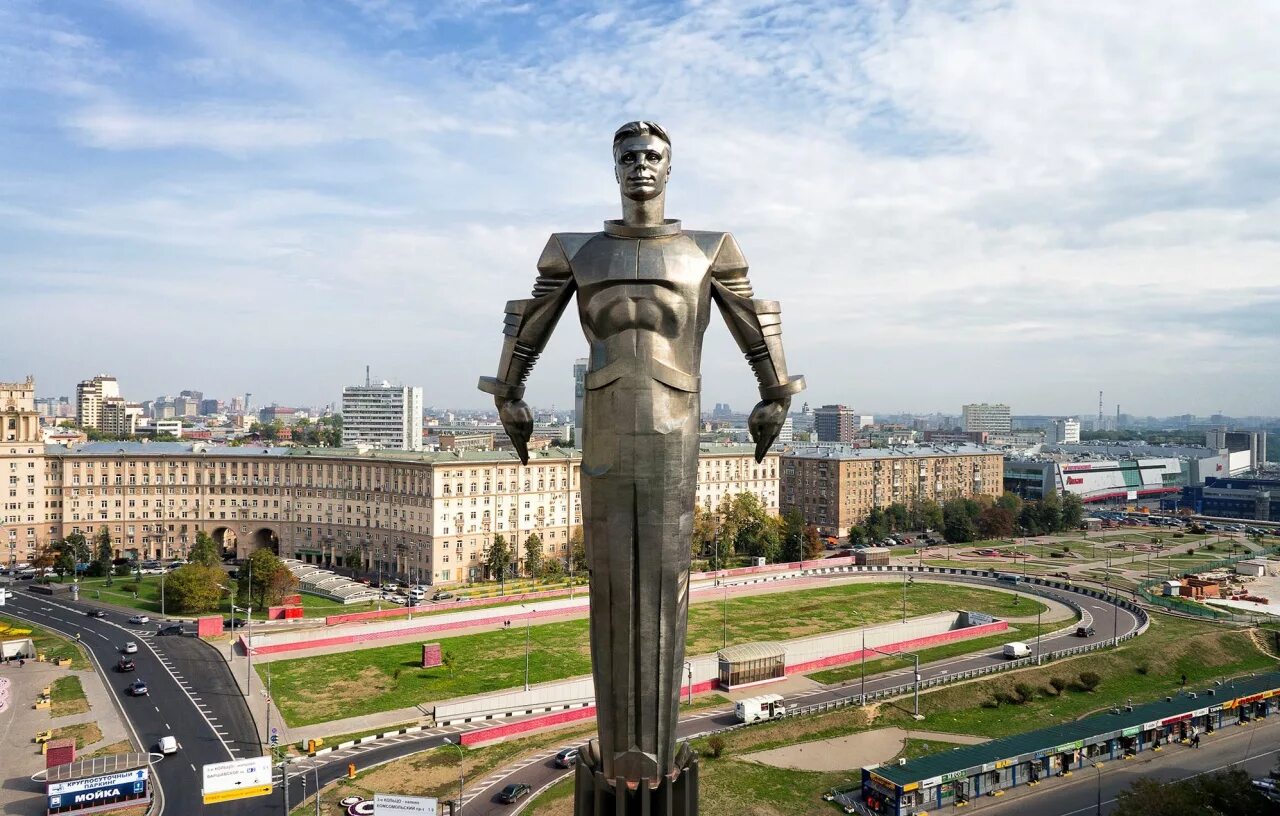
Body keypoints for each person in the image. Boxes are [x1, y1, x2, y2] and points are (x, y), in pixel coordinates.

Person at [479, 121, 803, 788]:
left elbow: (754, 323)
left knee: (663, 579)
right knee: (608, 582)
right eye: (628, 156)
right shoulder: (577, 252)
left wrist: (776, 393)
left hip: (674, 430)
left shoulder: (708, 251)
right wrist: (508, 392)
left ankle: (650, 758)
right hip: (601, 426)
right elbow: (529, 324)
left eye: (652, 155)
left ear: (670, 167)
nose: (640, 166)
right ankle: (620, 754)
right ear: (614, 167)